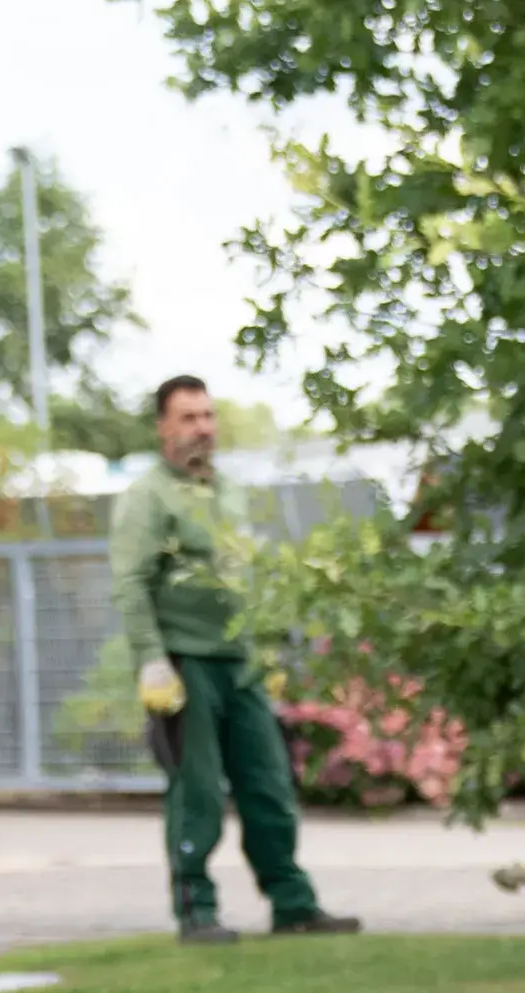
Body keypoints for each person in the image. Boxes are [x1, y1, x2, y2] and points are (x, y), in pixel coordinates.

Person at [108, 374, 361, 945]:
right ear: (163, 428)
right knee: (196, 790)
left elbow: (245, 572)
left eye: (208, 416)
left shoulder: (229, 491)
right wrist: (152, 660)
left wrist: (265, 642)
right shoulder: (148, 497)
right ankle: (196, 910)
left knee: (268, 783)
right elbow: (130, 583)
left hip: (239, 660)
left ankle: (292, 903)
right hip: (184, 662)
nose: (203, 428)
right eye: (189, 418)